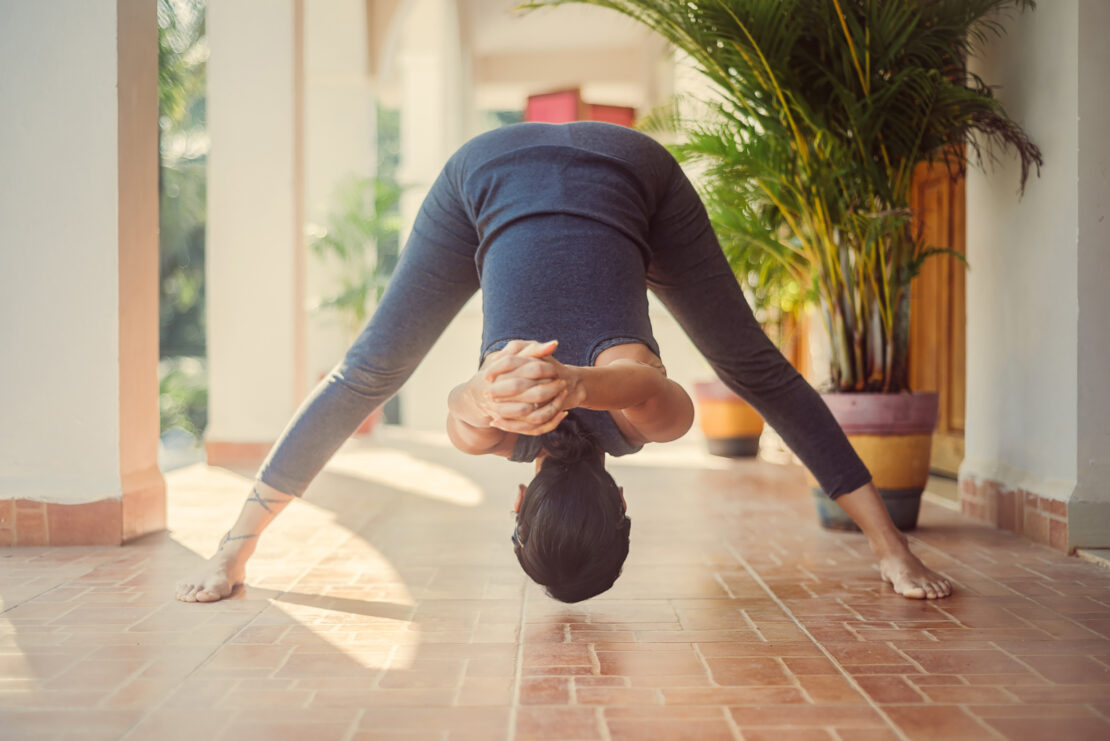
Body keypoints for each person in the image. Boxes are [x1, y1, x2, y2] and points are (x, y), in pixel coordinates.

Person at [175, 121, 952, 604]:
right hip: (618, 172)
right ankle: (230, 551)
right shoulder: (628, 410)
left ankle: (892, 547)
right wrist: (573, 382)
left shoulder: (549, 428)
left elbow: (463, 411)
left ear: (624, 510)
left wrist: (481, 391)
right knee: (364, 374)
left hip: (495, 175)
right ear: (517, 504)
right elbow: (649, 385)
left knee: (369, 372)